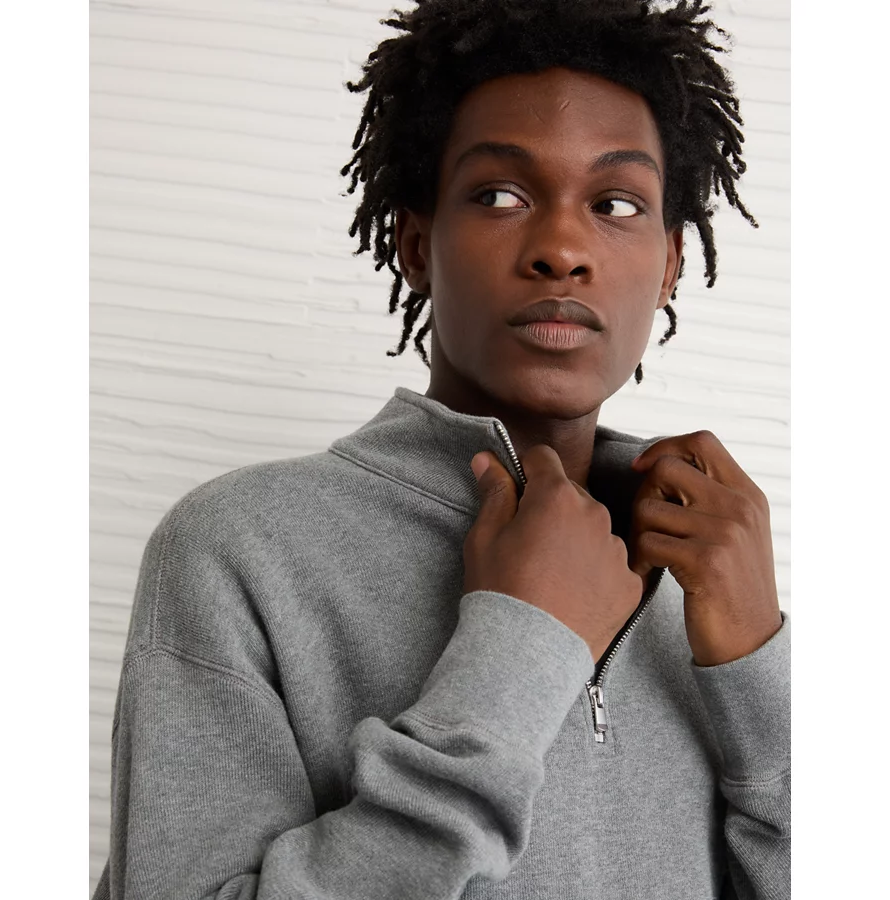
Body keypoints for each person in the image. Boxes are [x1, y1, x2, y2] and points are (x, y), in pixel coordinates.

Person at [92, 0, 789, 897]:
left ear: (669, 266)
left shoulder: (702, 574)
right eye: (500, 195)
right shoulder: (239, 549)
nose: (562, 249)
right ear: (416, 244)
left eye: (615, 203)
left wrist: (757, 665)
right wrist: (519, 653)